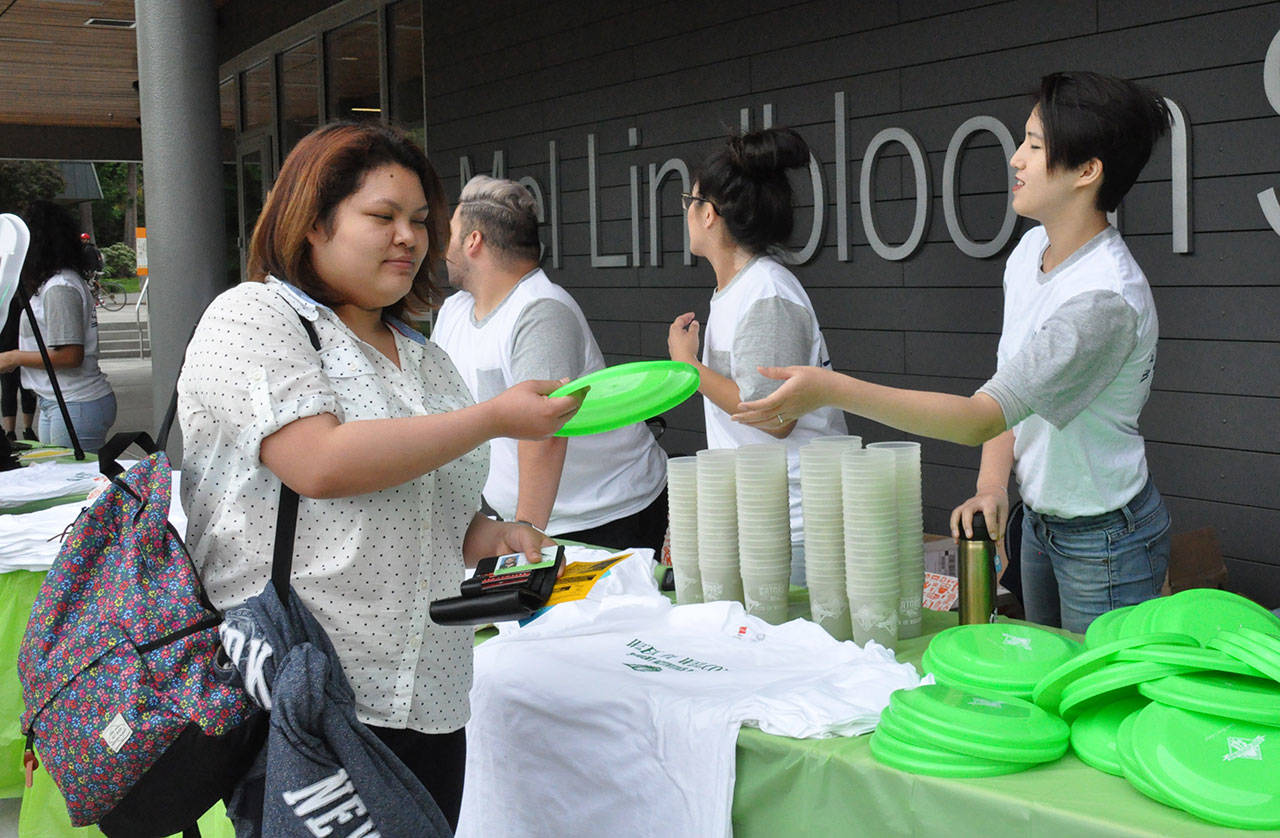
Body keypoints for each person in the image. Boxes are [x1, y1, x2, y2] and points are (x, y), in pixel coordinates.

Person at [177, 122, 583, 829]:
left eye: (422, 220)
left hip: (430, 697)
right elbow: (320, 464)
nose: (410, 237)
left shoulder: (425, 358)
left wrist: (494, 536)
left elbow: (426, 512)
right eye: (382, 216)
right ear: (311, 224)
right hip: (309, 692)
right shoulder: (251, 317)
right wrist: (492, 418)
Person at [733, 72, 1172, 634]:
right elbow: (1013, 389)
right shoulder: (1034, 249)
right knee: (1044, 684)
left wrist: (830, 387)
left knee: (1093, 706)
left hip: (1105, 539)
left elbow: (979, 419)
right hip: (1041, 523)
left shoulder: (1102, 301)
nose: (1015, 159)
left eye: (1036, 147)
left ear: (1088, 171)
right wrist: (992, 486)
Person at [432, 175, 669, 554]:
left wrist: (525, 535)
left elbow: (545, 431)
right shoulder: (454, 312)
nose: (442, 247)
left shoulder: (540, 310)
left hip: (601, 519)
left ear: (473, 240)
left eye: (450, 233)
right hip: (520, 522)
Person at [666, 127, 847, 581]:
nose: (686, 213)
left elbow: (774, 416)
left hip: (796, 529)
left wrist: (689, 367)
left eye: (689, 202)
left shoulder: (765, 293)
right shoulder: (740, 288)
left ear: (709, 214)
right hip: (769, 521)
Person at [0, 200, 116, 451]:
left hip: (76, 403)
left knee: (73, 485)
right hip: (59, 401)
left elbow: (71, 355)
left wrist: (13, 358)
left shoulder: (60, 287)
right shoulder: (52, 284)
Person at [1, 295, 37, 442]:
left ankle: (13, 431)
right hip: (19, 345)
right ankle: (25, 430)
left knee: (12, 389)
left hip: (11, 345)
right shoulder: (24, 295)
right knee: (21, 389)